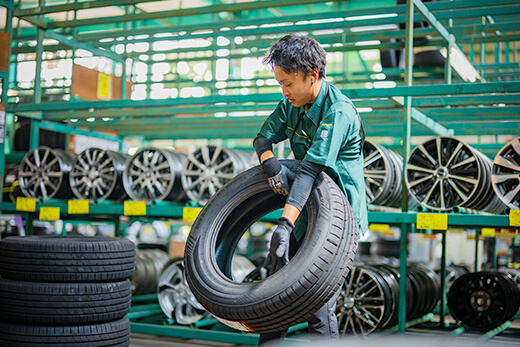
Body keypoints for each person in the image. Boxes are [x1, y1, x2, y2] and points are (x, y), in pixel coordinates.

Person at [253, 33, 368, 345]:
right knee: (276, 294)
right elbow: (262, 139)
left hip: (338, 219)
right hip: (303, 209)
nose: (283, 90)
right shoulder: (291, 105)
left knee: (316, 301)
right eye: (279, 83)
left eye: (287, 83)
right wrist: (270, 164)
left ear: (312, 76)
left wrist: (283, 223)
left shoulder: (339, 112)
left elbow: (309, 171)